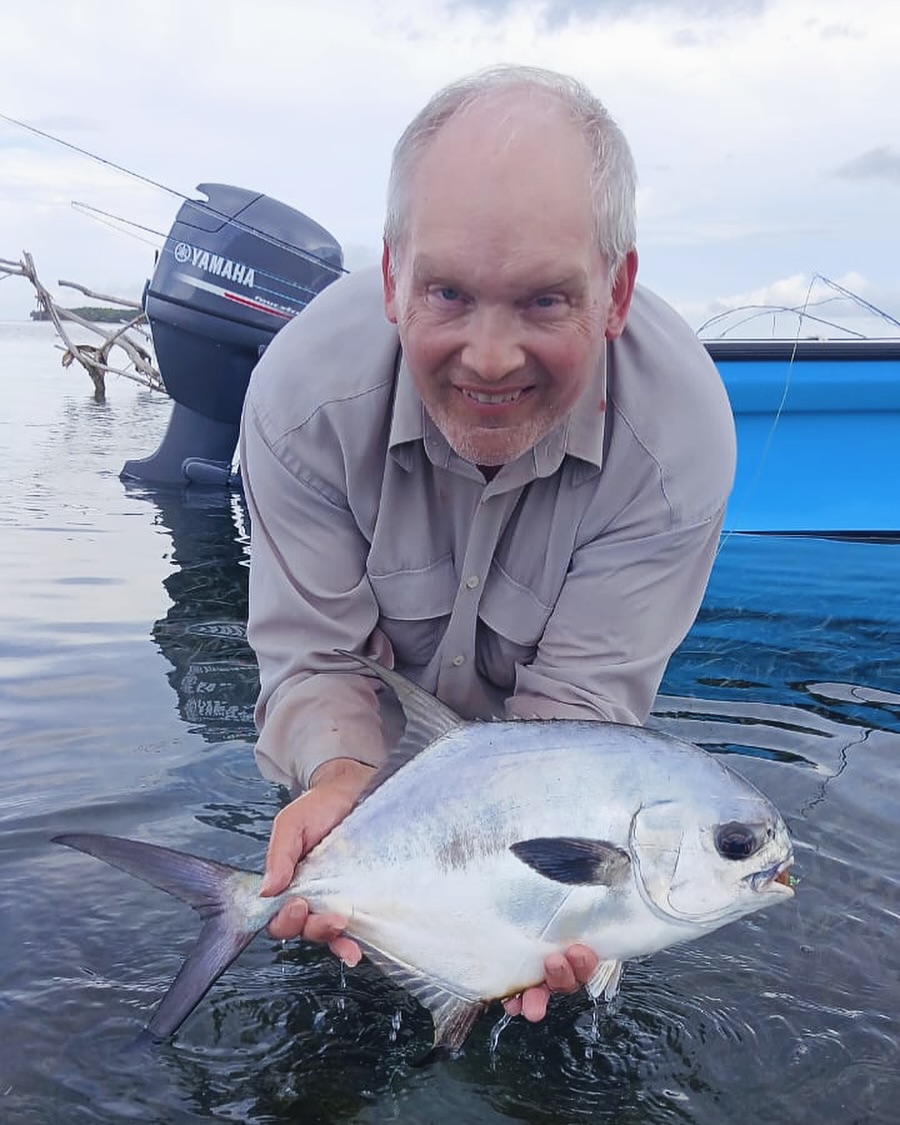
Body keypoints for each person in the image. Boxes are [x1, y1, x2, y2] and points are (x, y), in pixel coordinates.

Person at [238, 64, 736, 1023]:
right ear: (391, 275)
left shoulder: (678, 442)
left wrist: (515, 930)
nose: (492, 357)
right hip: (363, 802)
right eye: (450, 293)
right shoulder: (301, 396)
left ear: (617, 288)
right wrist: (341, 780)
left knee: (546, 1012)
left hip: (547, 801)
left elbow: (577, 725)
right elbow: (312, 657)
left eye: (547, 300)